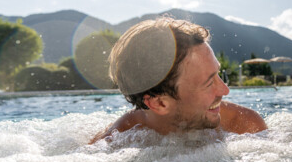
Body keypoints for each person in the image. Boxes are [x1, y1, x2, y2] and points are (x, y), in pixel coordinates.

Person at [90, 17, 267, 143]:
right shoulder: (116, 143)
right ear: (159, 103)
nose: (225, 90)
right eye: (208, 82)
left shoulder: (245, 127)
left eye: (217, 74)